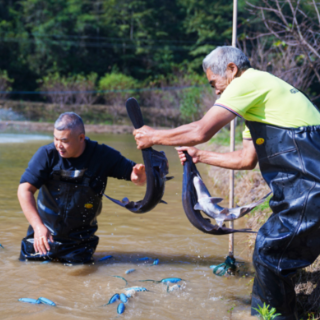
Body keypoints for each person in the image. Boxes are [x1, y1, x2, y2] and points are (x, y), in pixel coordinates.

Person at [133, 46, 320, 320]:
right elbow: (246, 159)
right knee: (271, 251)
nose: (217, 92)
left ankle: (271, 317)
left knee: (270, 251)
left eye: (214, 83)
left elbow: (200, 130)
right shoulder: (260, 105)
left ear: (232, 69)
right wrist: (200, 156)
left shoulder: (249, 82)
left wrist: (153, 136)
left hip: (310, 187)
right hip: (304, 187)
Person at [18, 112, 146, 264]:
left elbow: (134, 175)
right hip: (42, 238)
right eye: (55, 138)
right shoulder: (47, 154)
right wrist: (38, 226)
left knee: (78, 279)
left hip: (79, 244)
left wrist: (139, 177)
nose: (58, 145)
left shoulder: (102, 155)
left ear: (81, 138)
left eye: (64, 141)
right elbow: (24, 190)